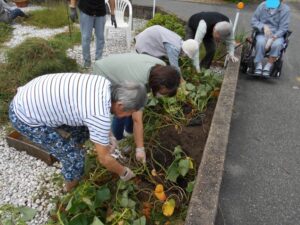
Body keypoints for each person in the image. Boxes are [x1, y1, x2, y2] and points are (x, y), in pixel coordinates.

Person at [9, 73, 147, 192]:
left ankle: (75, 149)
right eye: (129, 113)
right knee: (74, 160)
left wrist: (108, 134)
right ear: (120, 105)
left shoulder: (104, 83)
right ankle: (69, 191)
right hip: (25, 116)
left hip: (33, 95)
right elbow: (104, 159)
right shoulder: (98, 114)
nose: (127, 116)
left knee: (84, 132)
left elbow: (95, 117)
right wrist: (124, 172)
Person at [93, 53, 181, 163]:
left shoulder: (161, 67)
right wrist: (140, 149)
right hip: (105, 72)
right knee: (120, 110)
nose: (165, 95)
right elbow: (137, 120)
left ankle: (128, 134)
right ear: (161, 86)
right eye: (166, 92)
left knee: (134, 106)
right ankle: (118, 142)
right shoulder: (139, 83)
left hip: (124, 70)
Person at [69, 0, 117, 68]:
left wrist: (112, 13)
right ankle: (87, 61)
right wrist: (73, 8)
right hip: (86, 11)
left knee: (100, 38)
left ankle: (98, 61)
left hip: (100, 12)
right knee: (86, 38)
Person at [135, 25, 199, 73]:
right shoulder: (174, 48)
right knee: (151, 66)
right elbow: (175, 68)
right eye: (187, 55)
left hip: (150, 35)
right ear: (186, 52)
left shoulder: (179, 41)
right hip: (145, 42)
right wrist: (181, 81)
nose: (185, 57)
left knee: (160, 64)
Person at [251, 0, 290, 76]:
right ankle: (258, 64)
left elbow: (284, 28)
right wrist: (263, 26)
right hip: (262, 33)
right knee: (260, 42)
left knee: (277, 44)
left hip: (277, 34)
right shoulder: (262, 5)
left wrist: (273, 37)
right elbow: (254, 21)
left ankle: (268, 65)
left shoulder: (285, 9)